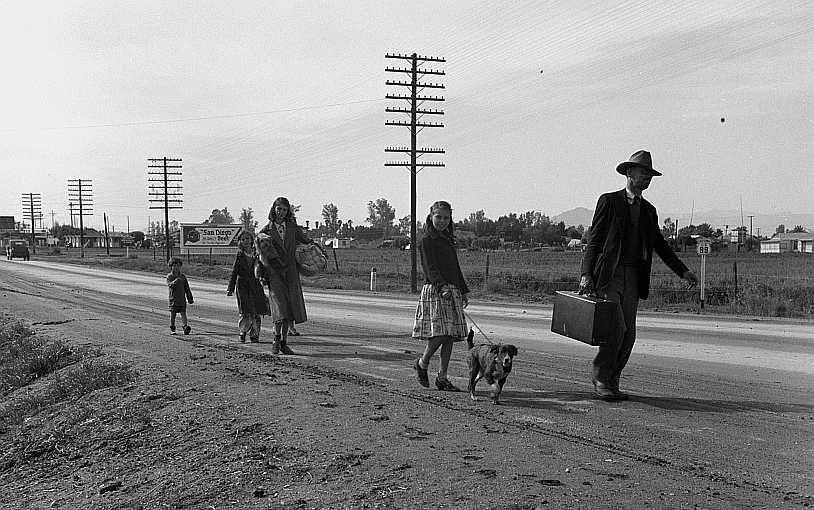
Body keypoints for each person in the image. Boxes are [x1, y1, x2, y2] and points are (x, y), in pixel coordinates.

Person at [580, 150, 698, 401]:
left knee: (629, 334)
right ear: (630, 173)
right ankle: (601, 378)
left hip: (634, 277)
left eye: (650, 175)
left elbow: (660, 245)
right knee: (616, 329)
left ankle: (613, 380)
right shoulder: (609, 201)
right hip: (609, 276)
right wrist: (586, 274)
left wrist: (683, 271)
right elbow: (594, 241)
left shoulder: (649, 211)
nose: (647, 178)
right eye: (643, 173)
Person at [411, 200, 470, 391]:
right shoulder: (427, 240)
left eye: (446, 217)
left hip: (452, 290)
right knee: (441, 333)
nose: (442, 221)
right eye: (439, 217)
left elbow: (455, 268)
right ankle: (422, 362)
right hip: (437, 291)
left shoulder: (448, 239)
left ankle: (442, 377)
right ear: (430, 216)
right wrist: (442, 286)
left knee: (450, 336)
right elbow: (430, 268)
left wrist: (463, 290)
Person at [257, 196, 314, 355]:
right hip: (275, 273)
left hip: (291, 272)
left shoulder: (293, 227)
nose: (281, 212)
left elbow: (306, 241)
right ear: (273, 209)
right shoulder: (266, 230)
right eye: (279, 208)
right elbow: (259, 252)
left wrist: (315, 249)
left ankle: (283, 342)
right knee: (279, 307)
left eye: (284, 209)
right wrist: (262, 271)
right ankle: (275, 339)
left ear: (288, 211)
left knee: (289, 307)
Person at [227, 231, 269, 343]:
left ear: (252, 240)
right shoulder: (239, 255)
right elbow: (234, 272)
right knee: (245, 311)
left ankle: (255, 334)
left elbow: (264, 268)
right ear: (240, 242)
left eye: (247, 238)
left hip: (256, 286)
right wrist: (230, 288)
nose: (245, 241)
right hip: (242, 286)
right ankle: (243, 332)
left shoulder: (258, 254)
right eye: (243, 239)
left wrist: (265, 279)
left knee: (256, 311)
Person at [166, 257, 193, 335]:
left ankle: (185, 327)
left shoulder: (183, 277)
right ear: (171, 266)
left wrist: (190, 298)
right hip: (173, 300)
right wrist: (175, 281)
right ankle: (172, 328)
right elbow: (170, 285)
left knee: (183, 313)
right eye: (174, 266)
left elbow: (187, 288)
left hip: (181, 299)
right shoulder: (169, 276)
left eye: (178, 266)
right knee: (173, 314)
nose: (176, 268)